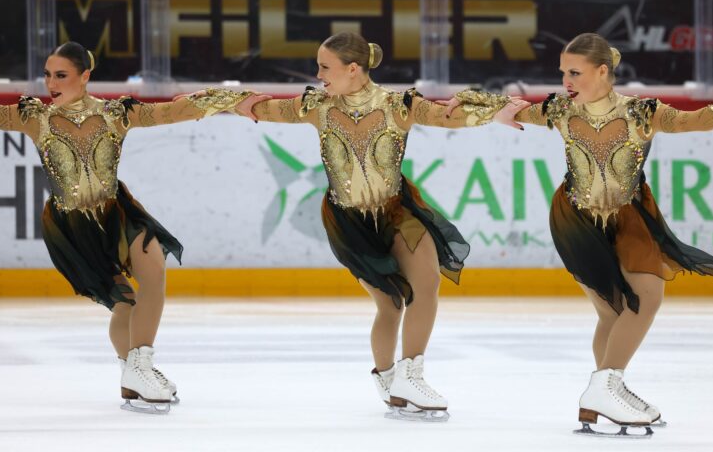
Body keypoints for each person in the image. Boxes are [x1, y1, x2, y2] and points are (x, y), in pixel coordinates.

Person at [0, 42, 266, 414]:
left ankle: (140, 366)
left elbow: (172, 111)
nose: (50, 83)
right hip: (72, 227)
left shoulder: (116, 115)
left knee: (154, 270)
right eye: (47, 75)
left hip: (118, 213)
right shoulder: (33, 118)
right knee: (124, 303)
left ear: (85, 76)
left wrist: (231, 100)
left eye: (61, 75)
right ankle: (132, 371)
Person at [444, 32, 713, 436]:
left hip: (630, 215)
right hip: (576, 218)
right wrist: (472, 101)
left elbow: (687, 121)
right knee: (613, 310)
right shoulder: (561, 110)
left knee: (646, 295)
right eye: (563, 72)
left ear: (602, 71)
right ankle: (605, 391)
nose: (566, 81)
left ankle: (605, 388)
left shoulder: (641, 112)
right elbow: (517, 108)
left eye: (575, 72)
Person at [210, 32, 529, 421]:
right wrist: (228, 101)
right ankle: (388, 377)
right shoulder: (318, 106)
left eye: (325, 67)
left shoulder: (398, 105)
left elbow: (448, 116)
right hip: (349, 222)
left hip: (397, 211)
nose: (318, 73)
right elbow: (266, 108)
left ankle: (412, 374)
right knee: (390, 304)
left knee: (426, 285)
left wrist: (494, 110)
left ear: (353, 69)